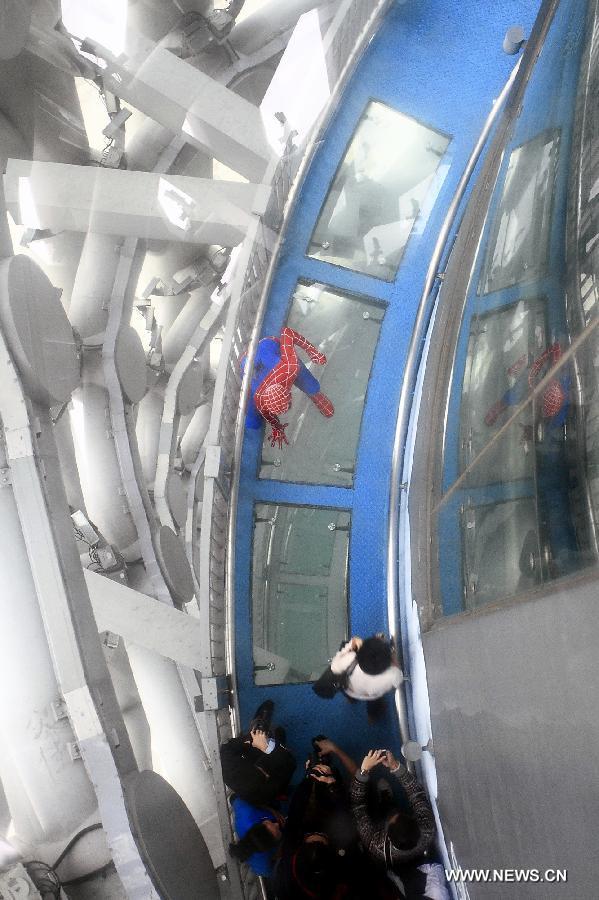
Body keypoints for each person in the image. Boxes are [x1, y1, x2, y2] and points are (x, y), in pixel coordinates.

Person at [351, 749, 449, 900]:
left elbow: (357, 807)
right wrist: (395, 766)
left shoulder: (376, 845)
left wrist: (364, 771)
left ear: (386, 835)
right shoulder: (427, 830)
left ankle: (385, 804)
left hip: (392, 866)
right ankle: (387, 803)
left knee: (367, 816)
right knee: (388, 811)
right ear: (416, 823)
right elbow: (416, 795)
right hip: (414, 861)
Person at [240, 326, 334, 448]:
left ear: (289, 394)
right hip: (246, 365)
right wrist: (277, 427)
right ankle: (253, 419)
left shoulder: (290, 367)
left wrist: (313, 352)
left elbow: (286, 332)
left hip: (268, 346)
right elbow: (287, 332)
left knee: (308, 382)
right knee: (252, 419)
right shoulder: (259, 400)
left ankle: (315, 394)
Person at [220, 701, 296, 807]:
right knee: (280, 737)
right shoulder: (265, 793)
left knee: (256, 736)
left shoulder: (230, 772)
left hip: (251, 757)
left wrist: (249, 739)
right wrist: (267, 748)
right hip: (275, 776)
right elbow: (291, 764)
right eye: (264, 772)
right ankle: (273, 740)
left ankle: (258, 726)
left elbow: (226, 749)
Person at [330, 635, 403, 721]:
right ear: (389, 663)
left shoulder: (349, 659)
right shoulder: (393, 675)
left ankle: (351, 700)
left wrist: (350, 645)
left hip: (349, 689)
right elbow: (398, 678)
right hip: (370, 695)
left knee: (347, 690)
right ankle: (372, 717)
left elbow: (333, 666)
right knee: (374, 705)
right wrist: (392, 655)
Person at [229, 796, 283, 877]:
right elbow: (271, 873)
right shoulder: (262, 863)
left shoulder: (246, 813)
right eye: (278, 832)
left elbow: (234, 799)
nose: (277, 824)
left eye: (268, 823)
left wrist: (270, 810)